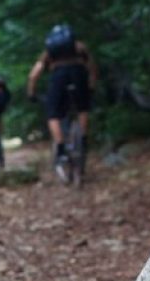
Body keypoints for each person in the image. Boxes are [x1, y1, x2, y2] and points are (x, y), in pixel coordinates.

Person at [27, 24, 98, 178]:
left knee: (53, 114)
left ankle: (60, 147)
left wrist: (31, 93)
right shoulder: (80, 47)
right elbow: (92, 68)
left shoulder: (48, 52)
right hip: (79, 75)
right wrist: (91, 87)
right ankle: (83, 140)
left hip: (58, 77)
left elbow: (33, 75)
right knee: (82, 108)